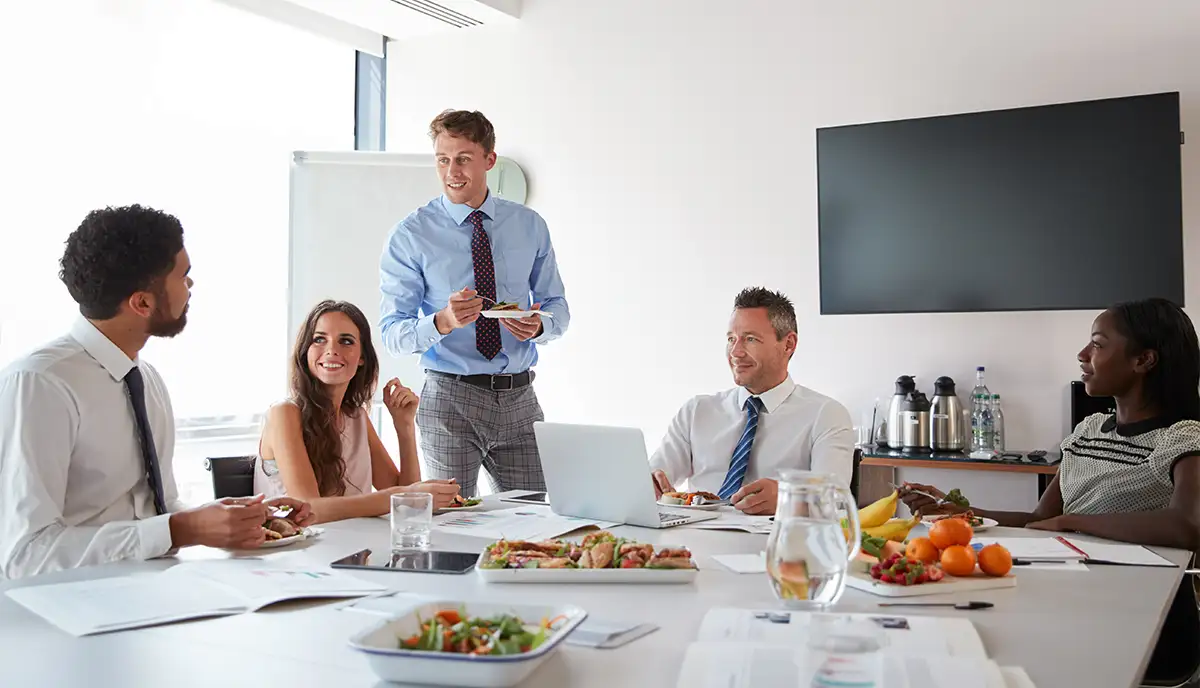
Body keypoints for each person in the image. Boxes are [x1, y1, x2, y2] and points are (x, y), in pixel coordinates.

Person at [0, 205, 313, 580]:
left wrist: (230, 516)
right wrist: (184, 529)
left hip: (154, 595)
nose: (191, 286)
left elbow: (152, 512)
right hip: (70, 617)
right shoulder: (40, 383)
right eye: (184, 275)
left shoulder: (146, 378)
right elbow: (24, 554)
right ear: (142, 303)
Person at [898, 297, 1200, 683]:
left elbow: (1187, 526)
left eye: (1098, 344)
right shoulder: (1088, 430)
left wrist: (1076, 522)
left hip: (1145, 617)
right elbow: (1041, 521)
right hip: (1073, 599)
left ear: (1144, 360)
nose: (1083, 354)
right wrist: (955, 511)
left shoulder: (1184, 437)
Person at [379, 109, 570, 497]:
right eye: (443, 160)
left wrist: (539, 325)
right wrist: (443, 321)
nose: (453, 171)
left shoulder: (529, 226)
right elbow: (391, 332)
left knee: (534, 521)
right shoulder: (411, 235)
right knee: (452, 524)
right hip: (450, 399)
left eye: (464, 158)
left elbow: (557, 307)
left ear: (489, 160)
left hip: (520, 399)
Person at [649, 287, 855, 515]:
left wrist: (790, 498)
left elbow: (836, 500)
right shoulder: (697, 411)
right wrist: (648, 483)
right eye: (731, 339)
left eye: (750, 339)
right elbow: (656, 475)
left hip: (775, 546)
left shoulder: (826, 415)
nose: (735, 352)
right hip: (695, 544)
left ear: (788, 344)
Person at [255, 300, 461, 521]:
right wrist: (403, 495)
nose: (332, 350)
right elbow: (308, 509)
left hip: (353, 547)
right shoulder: (284, 413)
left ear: (362, 357)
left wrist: (405, 426)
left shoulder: (356, 417)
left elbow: (408, 506)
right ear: (306, 352)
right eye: (319, 340)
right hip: (299, 551)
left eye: (346, 341)